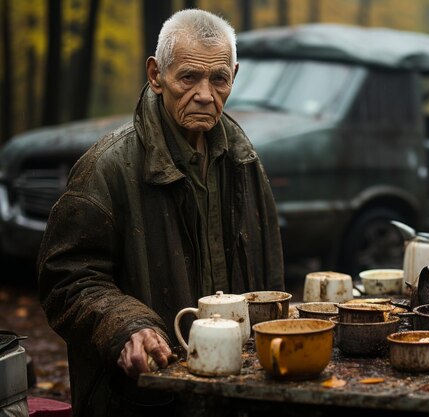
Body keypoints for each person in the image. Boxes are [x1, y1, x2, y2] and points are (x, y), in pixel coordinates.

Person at [37, 9, 284, 417]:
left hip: (235, 395)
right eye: (189, 77)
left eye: (218, 79)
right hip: (141, 399)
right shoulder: (107, 167)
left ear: (234, 77)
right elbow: (66, 280)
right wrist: (126, 326)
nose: (206, 94)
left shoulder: (243, 160)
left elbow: (269, 274)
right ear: (156, 75)